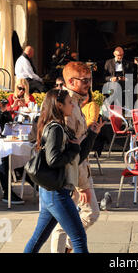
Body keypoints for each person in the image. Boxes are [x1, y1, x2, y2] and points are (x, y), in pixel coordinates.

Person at [24, 89, 88, 253]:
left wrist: (91, 135)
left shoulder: (56, 126)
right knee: (78, 238)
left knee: (38, 239)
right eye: (69, 102)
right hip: (56, 193)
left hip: (50, 192)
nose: (72, 104)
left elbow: (73, 156)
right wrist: (73, 149)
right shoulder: (56, 128)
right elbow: (53, 160)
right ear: (59, 105)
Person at [51, 61, 104, 253]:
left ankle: (65, 248)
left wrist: (92, 133)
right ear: (71, 81)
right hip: (71, 175)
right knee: (70, 220)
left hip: (78, 172)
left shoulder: (74, 102)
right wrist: (82, 185)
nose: (89, 84)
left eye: (90, 79)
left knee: (85, 215)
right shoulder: (67, 107)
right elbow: (71, 152)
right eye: (85, 80)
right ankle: (63, 249)